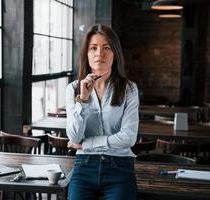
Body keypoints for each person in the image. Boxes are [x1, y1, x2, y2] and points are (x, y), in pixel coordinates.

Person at [65, 24, 139, 200]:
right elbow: (74, 137)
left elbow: (129, 137)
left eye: (106, 48)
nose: (100, 53)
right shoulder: (73, 89)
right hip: (84, 167)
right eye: (93, 48)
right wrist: (82, 100)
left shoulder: (129, 89)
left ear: (115, 54)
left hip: (120, 167)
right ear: (87, 54)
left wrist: (86, 145)